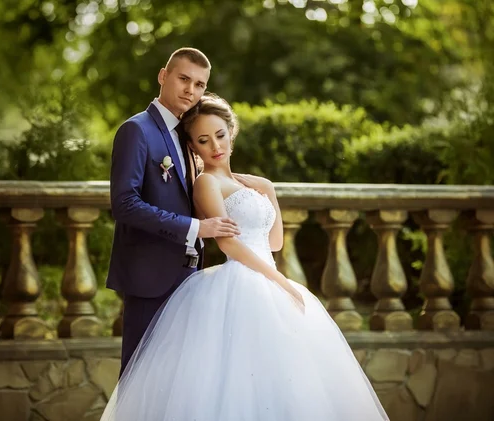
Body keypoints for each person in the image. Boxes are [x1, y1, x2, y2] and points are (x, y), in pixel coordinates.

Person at [101, 94, 389, 421]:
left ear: (231, 131)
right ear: (193, 146)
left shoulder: (250, 183)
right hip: (242, 281)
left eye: (220, 135)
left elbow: (275, 241)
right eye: (203, 140)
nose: (215, 146)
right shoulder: (207, 183)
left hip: (265, 277)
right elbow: (229, 245)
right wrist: (281, 282)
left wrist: (269, 190)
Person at [107, 48, 240, 375]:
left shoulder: (187, 135)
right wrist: (196, 228)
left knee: (179, 381)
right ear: (163, 76)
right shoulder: (137, 130)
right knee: (141, 380)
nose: (190, 91)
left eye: (199, 84)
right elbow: (124, 203)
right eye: (183, 79)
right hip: (148, 277)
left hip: (189, 278)